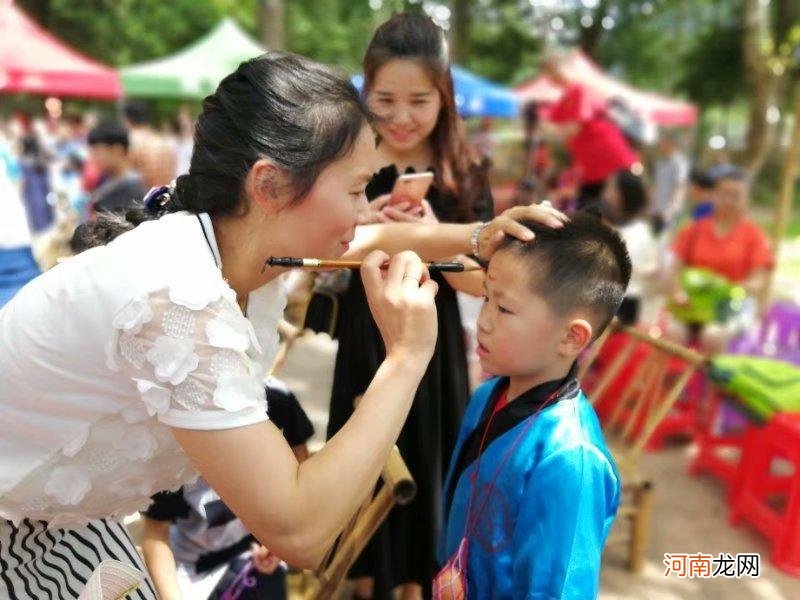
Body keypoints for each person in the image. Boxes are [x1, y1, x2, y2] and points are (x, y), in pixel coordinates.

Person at [0, 51, 564, 599]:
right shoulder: (177, 301)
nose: (365, 209)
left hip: (64, 522)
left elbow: (378, 235)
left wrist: (475, 236)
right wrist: (407, 357)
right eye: (354, 190)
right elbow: (300, 534)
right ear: (269, 185)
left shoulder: (240, 243)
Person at [316, 14, 493, 600]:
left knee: (426, 468)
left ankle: (418, 584)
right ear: (364, 93)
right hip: (365, 337)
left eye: (418, 99)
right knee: (363, 466)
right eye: (384, 98)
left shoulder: (467, 173)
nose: (400, 115)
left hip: (431, 344)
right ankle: (365, 583)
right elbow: (314, 258)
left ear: (443, 96)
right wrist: (357, 220)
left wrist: (438, 233)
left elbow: (482, 284)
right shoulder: (343, 163)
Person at [436, 214, 626, 599]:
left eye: (504, 310)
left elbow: (558, 589)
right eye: (486, 299)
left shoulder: (571, 458)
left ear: (572, 337)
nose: (484, 322)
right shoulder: (487, 396)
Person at [142, 377, 313, 600]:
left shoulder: (274, 399)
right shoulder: (172, 449)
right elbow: (155, 535)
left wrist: (277, 538)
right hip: (196, 566)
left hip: (257, 546)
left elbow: (301, 460)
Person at [668, 166, 774, 351]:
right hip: (692, 305)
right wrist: (678, 292)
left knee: (713, 335)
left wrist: (726, 288)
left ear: (746, 199)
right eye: (724, 194)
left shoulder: (754, 236)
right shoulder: (694, 230)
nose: (729, 201)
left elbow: (758, 282)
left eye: (736, 195)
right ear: (714, 195)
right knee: (672, 332)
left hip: (730, 307)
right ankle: (673, 378)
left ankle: (712, 380)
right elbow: (675, 269)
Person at [540, 53, 639, 208]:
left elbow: (572, 129)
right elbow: (548, 124)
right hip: (593, 173)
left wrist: (550, 128)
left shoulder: (580, 90)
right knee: (588, 216)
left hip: (614, 167)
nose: (553, 77)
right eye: (549, 72)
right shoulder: (565, 99)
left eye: (553, 70)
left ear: (566, 67)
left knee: (608, 216)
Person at [602, 170, 660, 325]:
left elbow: (647, 270)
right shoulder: (609, 223)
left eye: (611, 188)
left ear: (623, 195)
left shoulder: (638, 232)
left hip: (622, 302)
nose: (605, 194)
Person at [86, 121, 147, 216]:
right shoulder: (106, 179)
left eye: (96, 151)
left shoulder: (132, 190)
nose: (93, 157)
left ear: (117, 150)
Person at [124, 100, 177, 189]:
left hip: (141, 197)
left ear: (127, 120)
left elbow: (126, 175)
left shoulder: (131, 140)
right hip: (165, 195)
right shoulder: (164, 142)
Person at [652, 131, 688, 229]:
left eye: (663, 143)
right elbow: (656, 185)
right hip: (656, 209)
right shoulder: (659, 162)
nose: (660, 145)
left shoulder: (679, 163)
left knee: (665, 241)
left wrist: (670, 210)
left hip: (669, 211)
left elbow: (679, 187)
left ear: (672, 144)